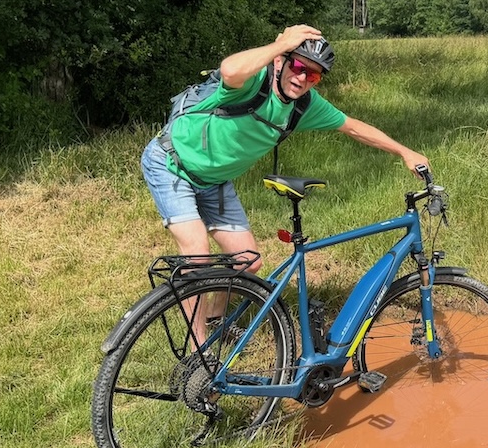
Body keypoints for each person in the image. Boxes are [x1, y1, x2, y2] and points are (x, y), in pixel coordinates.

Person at [141, 24, 429, 274]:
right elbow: (230, 70)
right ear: (280, 62)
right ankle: (198, 339)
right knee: (198, 258)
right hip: (172, 164)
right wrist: (281, 44)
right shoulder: (253, 82)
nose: (303, 79)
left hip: (214, 182)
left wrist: (404, 151)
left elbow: (353, 127)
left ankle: (219, 320)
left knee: (248, 262)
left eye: (313, 76)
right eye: (299, 67)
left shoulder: (304, 105)